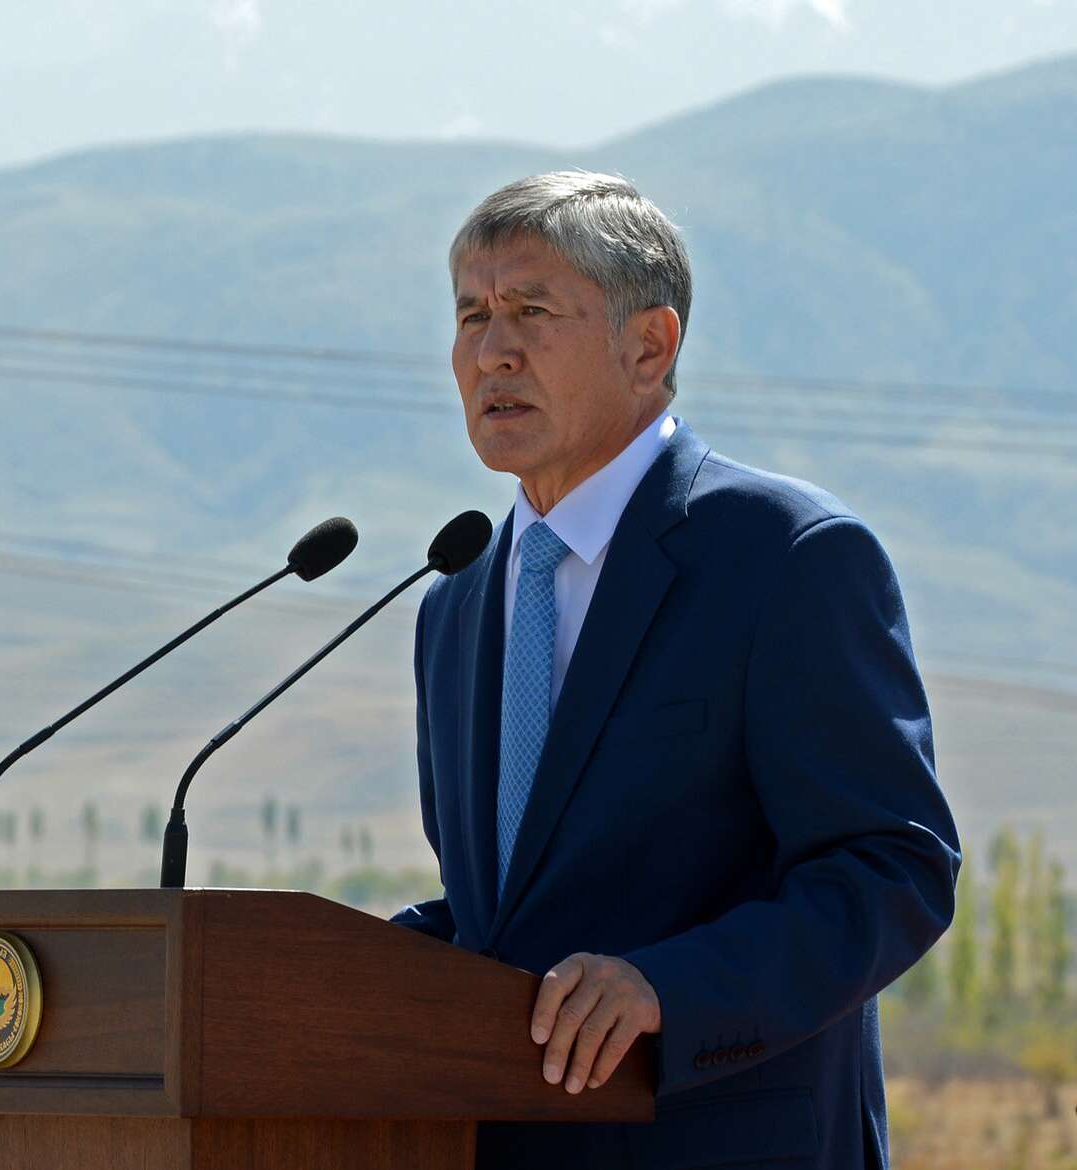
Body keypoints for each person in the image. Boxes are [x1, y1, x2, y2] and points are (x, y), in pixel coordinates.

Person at [390, 171, 960, 1169]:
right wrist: (339, 965)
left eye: (531, 312)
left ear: (649, 346)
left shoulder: (783, 556)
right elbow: (509, 916)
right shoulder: (456, 601)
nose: (491, 352)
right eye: (471, 315)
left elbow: (890, 869)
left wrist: (668, 989)